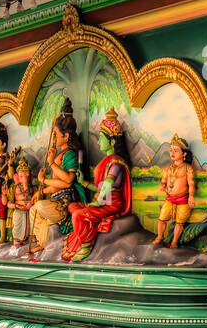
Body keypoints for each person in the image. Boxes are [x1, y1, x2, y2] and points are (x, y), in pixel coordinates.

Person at [61, 110, 132, 263]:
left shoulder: (116, 163)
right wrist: (84, 183)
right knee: (73, 207)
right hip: (102, 201)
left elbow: (107, 187)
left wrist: (97, 202)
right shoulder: (107, 162)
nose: (99, 142)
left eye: (101, 138)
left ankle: (86, 244)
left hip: (111, 204)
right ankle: (83, 236)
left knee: (78, 215)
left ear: (112, 141)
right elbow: (101, 188)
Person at [30, 99, 82, 254]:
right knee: (34, 209)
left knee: (39, 207)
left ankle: (50, 242)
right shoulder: (60, 154)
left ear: (66, 136)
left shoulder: (70, 154)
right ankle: (43, 242)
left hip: (65, 203)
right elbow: (57, 183)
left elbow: (67, 181)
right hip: (56, 198)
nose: (53, 137)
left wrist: (49, 168)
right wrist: (41, 191)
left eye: (56, 134)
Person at [153, 134, 196, 249]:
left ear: (184, 154)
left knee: (179, 222)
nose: (172, 153)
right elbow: (163, 181)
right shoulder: (168, 168)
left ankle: (174, 242)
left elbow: (191, 184)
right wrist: (162, 186)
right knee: (162, 218)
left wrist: (191, 197)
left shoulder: (188, 168)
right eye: (171, 150)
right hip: (169, 199)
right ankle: (160, 236)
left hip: (183, 199)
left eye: (176, 150)